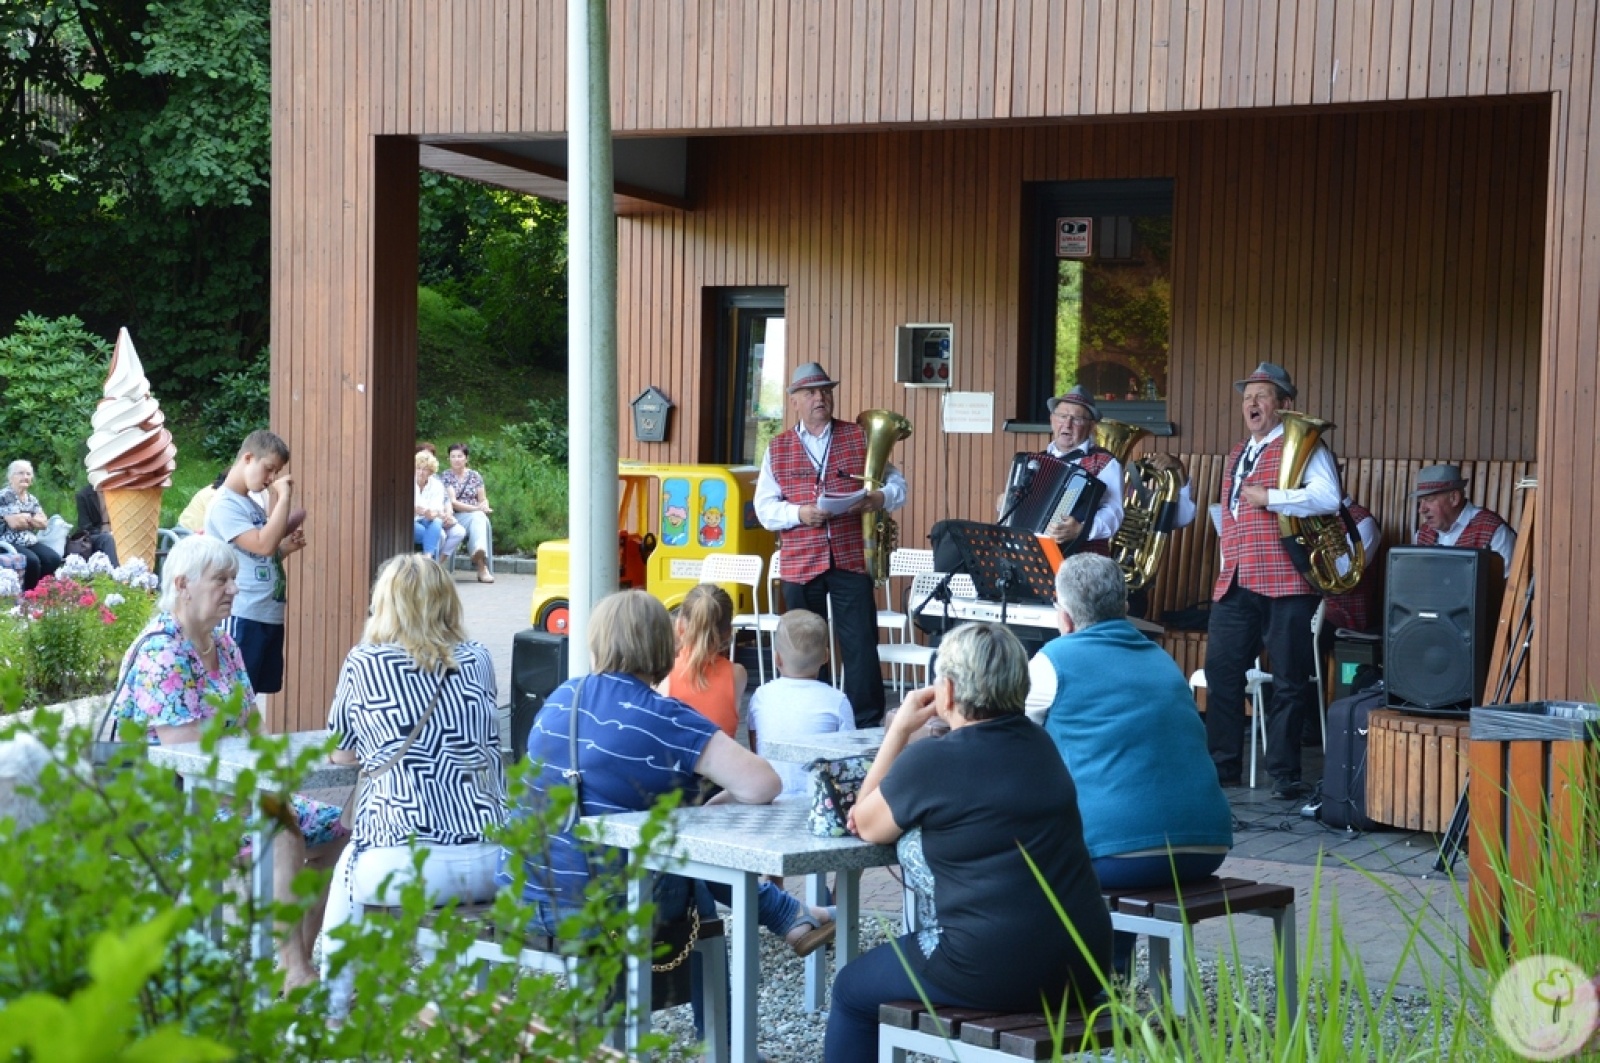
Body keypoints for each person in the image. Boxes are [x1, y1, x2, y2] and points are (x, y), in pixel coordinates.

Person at [827, 622, 1111, 1063]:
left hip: (989, 966)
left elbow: (863, 822)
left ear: (950, 690)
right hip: (1084, 958)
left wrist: (899, 731)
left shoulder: (933, 760)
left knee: (850, 990)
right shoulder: (1043, 745)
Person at [501, 590, 836, 963]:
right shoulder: (665, 717)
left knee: (664, 834)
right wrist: (718, 800)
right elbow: (764, 784)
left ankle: (788, 915)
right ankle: (721, 1011)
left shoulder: (563, 696)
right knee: (688, 854)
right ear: (665, 645)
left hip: (523, 893)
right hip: (600, 907)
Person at [110, 534, 346, 992]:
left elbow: (253, 730)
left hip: (229, 788)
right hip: (168, 802)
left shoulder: (225, 645)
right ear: (183, 584)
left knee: (336, 833)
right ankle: (292, 967)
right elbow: (185, 758)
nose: (234, 590)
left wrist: (273, 781)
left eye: (234, 580)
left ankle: (295, 957)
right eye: (222, 580)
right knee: (281, 827)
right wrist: (264, 796)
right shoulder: (162, 650)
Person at [1024, 554, 1233, 978]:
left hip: (1121, 855)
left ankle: (1057, 980)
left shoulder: (1052, 661)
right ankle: (1112, 970)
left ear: (1063, 615)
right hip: (1207, 846)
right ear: (1123, 608)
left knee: (1026, 850)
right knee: (1105, 828)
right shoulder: (1161, 659)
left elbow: (1006, 745)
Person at [320, 553, 506, 1020]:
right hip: (491, 857)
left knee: (347, 866)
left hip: (407, 862)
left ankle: (333, 1012)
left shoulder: (365, 662)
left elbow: (342, 754)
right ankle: (455, 1012)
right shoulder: (479, 658)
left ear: (385, 603)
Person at [1204, 362, 1342, 800]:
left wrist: (1273, 498)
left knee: (1288, 679)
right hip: (1237, 580)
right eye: (1247, 398)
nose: (1252, 404)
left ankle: (1284, 773)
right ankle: (1222, 765)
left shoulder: (1306, 448)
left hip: (1287, 581)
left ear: (1284, 405)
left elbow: (1329, 498)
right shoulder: (1235, 453)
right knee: (1222, 672)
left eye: (1262, 396)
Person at [754, 361, 907, 728]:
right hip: (800, 563)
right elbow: (764, 507)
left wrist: (880, 498)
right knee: (803, 646)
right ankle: (809, 718)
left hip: (850, 558)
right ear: (794, 401)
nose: (819, 398)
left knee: (860, 647)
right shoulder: (777, 447)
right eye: (809, 392)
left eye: (825, 391)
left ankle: (866, 725)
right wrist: (798, 514)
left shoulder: (860, 436)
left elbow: (899, 485)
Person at [206, 431, 307, 698]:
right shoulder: (225, 505)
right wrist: (284, 498)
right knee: (234, 696)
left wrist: (284, 548)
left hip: (266, 613)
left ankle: (248, 740)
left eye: (276, 472)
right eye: (269, 469)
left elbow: (258, 556)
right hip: (242, 613)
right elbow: (263, 544)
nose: (272, 478)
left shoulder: (250, 505)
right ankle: (229, 741)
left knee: (254, 694)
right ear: (248, 458)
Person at [999, 386, 1123, 555]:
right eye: (1062, 416)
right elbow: (1019, 503)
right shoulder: (1034, 463)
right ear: (1052, 420)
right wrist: (1006, 502)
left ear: (1091, 425)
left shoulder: (1104, 462)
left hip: (1084, 560)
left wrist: (1081, 529)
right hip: (1035, 556)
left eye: (1077, 419)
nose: (1067, 424)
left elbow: (1113, 513)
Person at [748, 609, 854, 800]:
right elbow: (848, 758)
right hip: (820, 802)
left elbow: (755, 747)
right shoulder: (837, 701)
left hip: (769, 796)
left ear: (777, 658)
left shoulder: (761, 696)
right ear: (826, 657)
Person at [659, 583, 748, 740]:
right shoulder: (737, 674)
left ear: (679, 626)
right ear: (728, 633)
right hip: (721, 763)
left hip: (679, 764)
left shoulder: (664, 673)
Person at [1412, 463, 1517, 574]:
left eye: (1429, 499)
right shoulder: (1422, 535)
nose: (1422, 509)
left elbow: (1508, 587)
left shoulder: (1494, 532)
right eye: (1420, 501)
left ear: (1454, 498)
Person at [0, 460, 62, 590]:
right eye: (21, 473)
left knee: (53, 559)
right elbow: (15, 524)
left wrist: (25, 517)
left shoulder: (31, 498)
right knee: (32, 561)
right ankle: (27, 595)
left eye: (28, 474)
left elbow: (44, 523)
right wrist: (33, 519)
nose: (25, 477)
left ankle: (40, 592)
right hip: (7, 541)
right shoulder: (5, 495)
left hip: (29, 540)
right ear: (11, 477)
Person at [441, 442, 495, 583]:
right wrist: (477, 509)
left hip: (474, 516)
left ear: (466, 458)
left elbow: (482, 499)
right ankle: (482, 567)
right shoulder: (446, 476)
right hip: (455, 516)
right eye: (453, 456)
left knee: (479, 517)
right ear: (449, 459)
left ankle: (479, 553)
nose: (456, 459)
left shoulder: (475, 476)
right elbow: (453, 502)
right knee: (478, 516)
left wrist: (484, 506)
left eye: (460, 456)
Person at [412, 450, 465, 563]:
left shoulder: (436, 485)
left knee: (436, 523)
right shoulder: (406, 482)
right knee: (438, 535)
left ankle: (428, 558)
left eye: (425, 469)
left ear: (431, 472)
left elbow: (437, 510)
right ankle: (431, 563)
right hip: (411, 521)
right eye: (418, 468)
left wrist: (432, 513)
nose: (421, 472)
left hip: (429, 521)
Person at [72, 484, 119, 564]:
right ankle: (117, 573)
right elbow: (84, 526)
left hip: (117, 529)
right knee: (107, 539)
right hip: (96, 534)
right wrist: (106, 533)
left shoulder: (117, 491)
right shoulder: (83, 495)